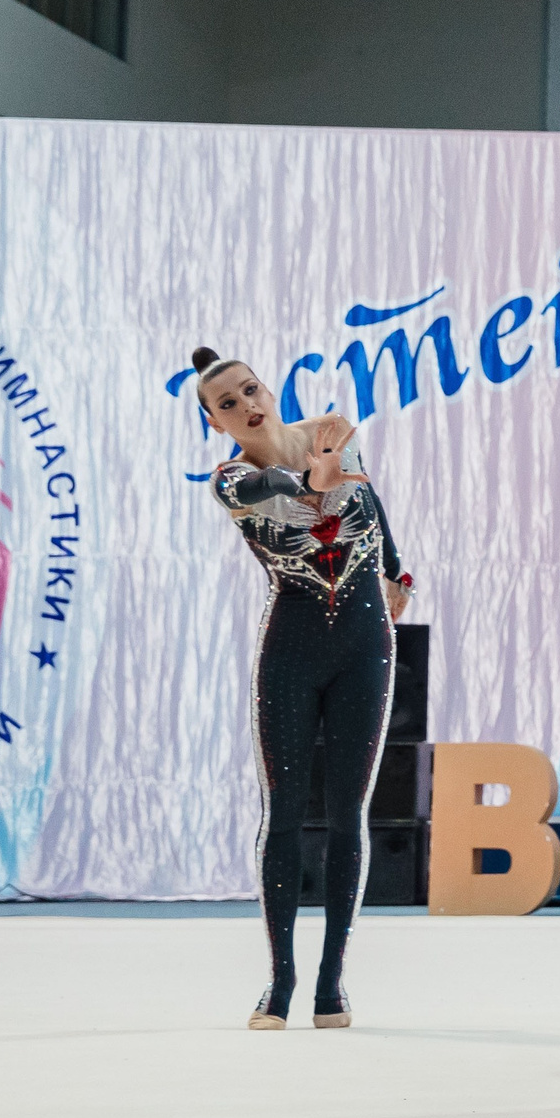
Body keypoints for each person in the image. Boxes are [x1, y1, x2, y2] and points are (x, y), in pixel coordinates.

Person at [193, 349, 411, 1031]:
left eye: (250, 389)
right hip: (289, 649)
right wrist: (314, 472)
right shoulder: (230, 478)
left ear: (268, 386)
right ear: (215, 421)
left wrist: (400, 576)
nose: (246, 405)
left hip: (364, 646)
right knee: (283, 812)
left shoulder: (333, 431)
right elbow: (279, 490)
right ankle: (279, 980)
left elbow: (371, 508)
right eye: (228, 403)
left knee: (350, 812)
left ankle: (331, 982)